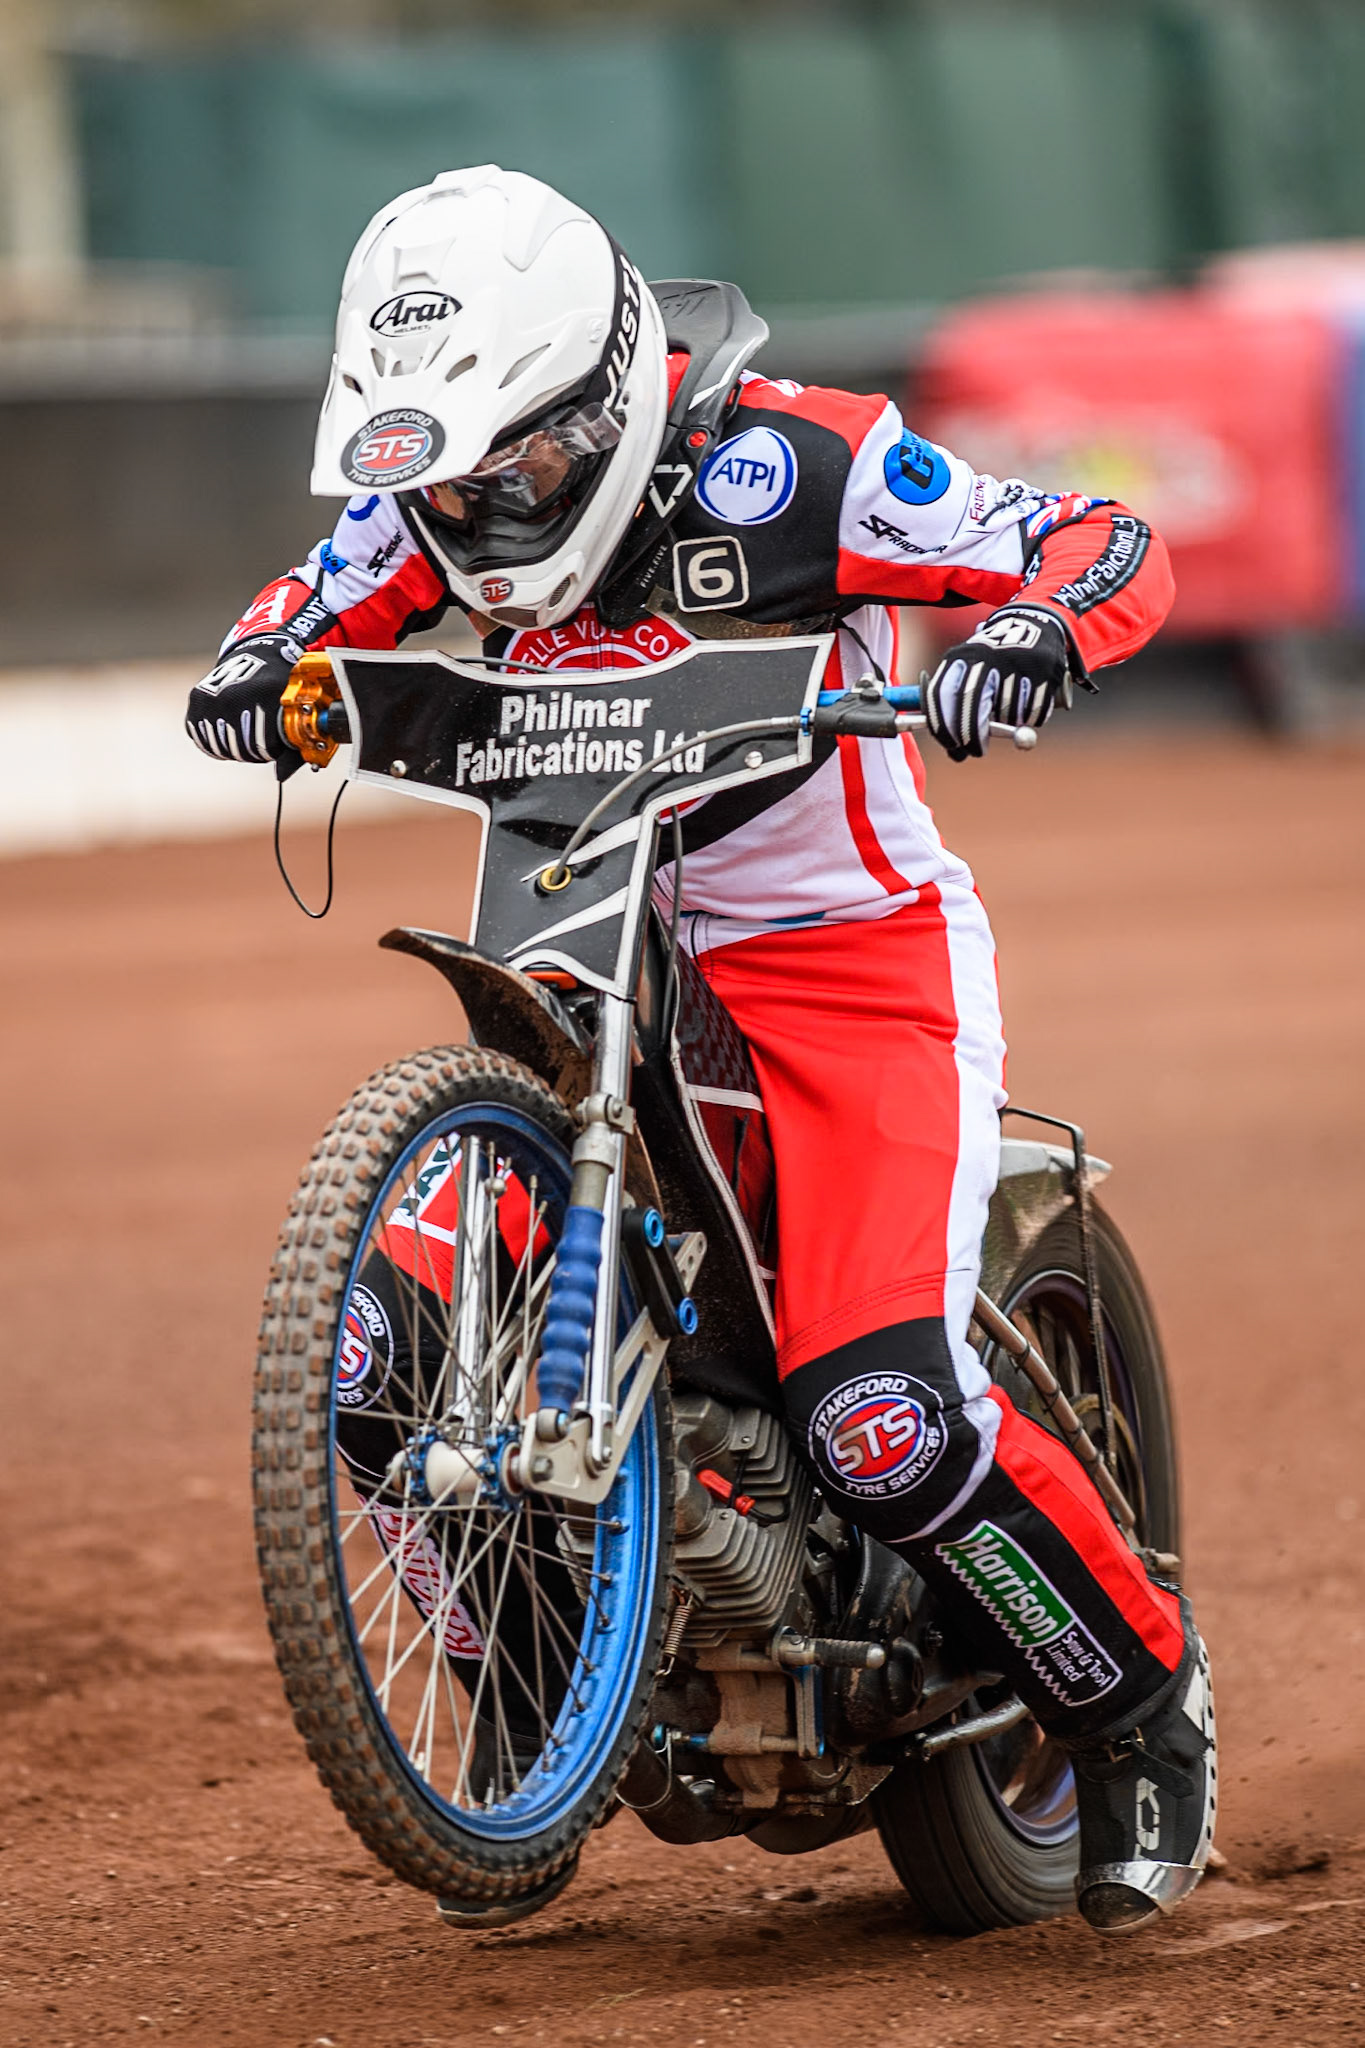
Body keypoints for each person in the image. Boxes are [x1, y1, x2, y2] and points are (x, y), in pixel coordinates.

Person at [187, 166, 1214, 1932]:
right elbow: (296, 607)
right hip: (584, 940)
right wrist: (259, 667)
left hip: (844, 965)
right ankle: (532, 1722)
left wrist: (1031, 634)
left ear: (600, 399)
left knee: (878, 1413)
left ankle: (1137, 1707)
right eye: (439, 480)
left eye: (509, 464)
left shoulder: (794, 462)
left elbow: (1094, 538)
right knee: (370, 1359)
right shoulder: (425, 500)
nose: (476, 514)